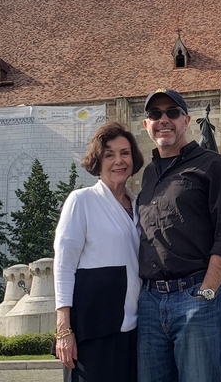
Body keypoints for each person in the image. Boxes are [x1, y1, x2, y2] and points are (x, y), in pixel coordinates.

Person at [137, 88, 221, 382]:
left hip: (196, 295)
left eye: (172, 113)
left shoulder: (213, 166)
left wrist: (208, 291)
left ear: (186, 120)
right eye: (155, 114)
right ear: (146, 124)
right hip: (149, 303)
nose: (163, 120)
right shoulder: (147, 175)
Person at [53, 121, 144, 381]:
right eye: (110, 154)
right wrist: (63, 329)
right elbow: (64, 266)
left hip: (133, 329)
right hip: (93, 329)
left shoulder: (139, 205)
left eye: (125, 153)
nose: (119, 161)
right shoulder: (82, 201)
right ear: (98, 160)